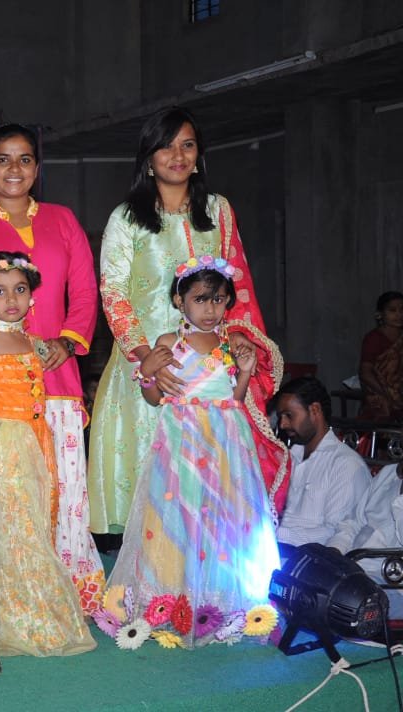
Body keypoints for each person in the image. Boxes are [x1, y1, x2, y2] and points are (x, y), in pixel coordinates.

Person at [88, 106, 288, 536]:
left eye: (187, 145)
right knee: (155, 505)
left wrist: (238, 336)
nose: (177, 155)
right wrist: (147, 358)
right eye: (166, 146)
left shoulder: (218, 210)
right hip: (149, 367)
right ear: (148, 158)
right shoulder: (127, 218)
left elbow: (238, 283)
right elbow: (113, 293)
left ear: (198, 155)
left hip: (210, 369)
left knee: (211, 498)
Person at [0, 123, 105, 614]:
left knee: (63, 491)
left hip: (57, 377)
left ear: (37, 167)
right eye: (3, 159)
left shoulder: (62, 220)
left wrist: (68, 342)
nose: (15, 169)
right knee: (9, 502)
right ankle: (11, 599)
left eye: (25, 159)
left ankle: (69, 597)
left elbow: (85, 290)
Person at [96, 256, 280, 649]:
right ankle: (169, 596)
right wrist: (148, 370)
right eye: (200, 299)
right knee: (176, 516)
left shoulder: (229, 343)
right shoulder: (169, 343)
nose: (210, 309)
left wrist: (246, 370)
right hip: (182, 441)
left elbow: (234, 398)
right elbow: (153, 397)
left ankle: (222, 599)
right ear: (180, 301)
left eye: (219, 300)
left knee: (223, 517)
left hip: (224, 442)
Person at [0, 251, 97, 657]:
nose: (11, 299)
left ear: (32, 296)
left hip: (37, 444)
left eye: (20, 289)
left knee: (36, 527)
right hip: (4, 448)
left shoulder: (32, 343)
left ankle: (38, 609)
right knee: (11, 531)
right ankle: (16, 615)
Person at [275, 376, 371, 547]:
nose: (282, 424)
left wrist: (274, 534)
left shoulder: (346, 465)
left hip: (310, 558)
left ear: (315, 410)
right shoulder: (288, 457)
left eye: (289, 415)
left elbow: (337, 534)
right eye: (280, 416)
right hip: (276, 550)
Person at [326, 464, 402, 615]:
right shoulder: (389, 473)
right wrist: (336, 548)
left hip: (392, 585)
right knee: (304, 584)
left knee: (337, 603)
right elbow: (354, 521)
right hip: (352, 568)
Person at [358, 291, 403, 421]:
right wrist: (387, 394)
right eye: (392, 310)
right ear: (380, 314)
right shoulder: (374, 338)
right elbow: (365, 373)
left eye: (402, 310)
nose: (399, 315)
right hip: (381, 396)